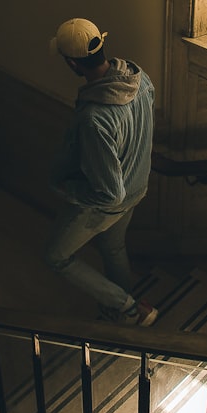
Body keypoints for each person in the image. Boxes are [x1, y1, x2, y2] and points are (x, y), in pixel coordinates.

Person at [44, 18, 158, 326]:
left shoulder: (95, 119)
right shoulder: (140, 78)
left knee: (56, 257)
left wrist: (66, 188)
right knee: (113, 245)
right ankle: (127, 312)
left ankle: (126, 306)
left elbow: (109, 193)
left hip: (108, 204)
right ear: (100, 45)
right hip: (139, 187)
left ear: (72, 63)